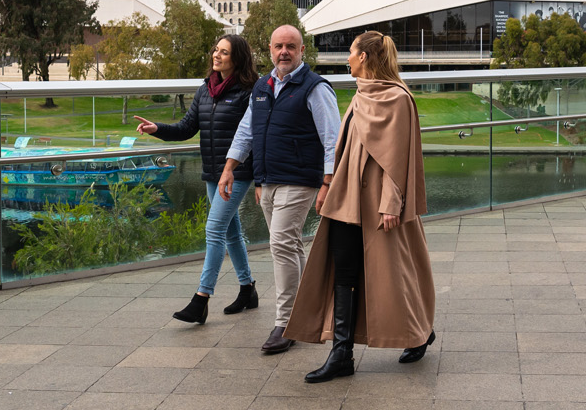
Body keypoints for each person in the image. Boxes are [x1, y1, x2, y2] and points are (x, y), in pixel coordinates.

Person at [286, 30, 435, 383]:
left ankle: (420, 329)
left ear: (365, 58)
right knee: (344, 270)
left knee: (395, 273)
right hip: (346, 199)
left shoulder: (397, 98)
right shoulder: (359, 96)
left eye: (351, 53)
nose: (347, 59)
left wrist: (390, 205)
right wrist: (328, 188)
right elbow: (345, 150)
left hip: (378, 204)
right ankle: (342, 354)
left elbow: (397, 159)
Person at [218, 25, 340, 355]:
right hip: (268, 181)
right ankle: (304, 313)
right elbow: (247, 132)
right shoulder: (263, 86)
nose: (283, 52)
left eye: (291, 46)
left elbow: (333, 139)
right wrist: (230, 168)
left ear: (302, 51)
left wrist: (328, 183)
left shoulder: (315, 88)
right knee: (290, 247)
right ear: (269, 51)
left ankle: (285, 323)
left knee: (281, 244)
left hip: (301, 180)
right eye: (278, 46)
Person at [136, 35, 260, 324]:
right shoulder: (206, 89)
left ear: (237, 58)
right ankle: (247, 289)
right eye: (215, 49)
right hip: (211, 173)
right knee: (230, 232)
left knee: (214, 229)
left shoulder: (248, 92)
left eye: (224, 52)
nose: (216, 55)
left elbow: (254, 135)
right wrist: (157, 129)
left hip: (237, 172)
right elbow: (186, 128)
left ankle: (201, 299)